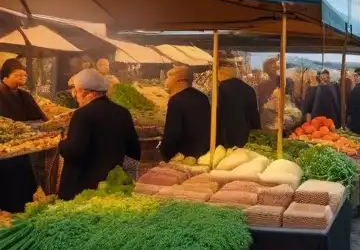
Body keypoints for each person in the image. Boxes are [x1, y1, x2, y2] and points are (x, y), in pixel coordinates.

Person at [57, 69, 141, 200]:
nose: (76, 98)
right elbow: (134, 149)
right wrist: (128, 178)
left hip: (84, 187)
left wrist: (61, 144)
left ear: (85, 92)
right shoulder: (122, 112)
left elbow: (75, 150)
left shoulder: (82, 114)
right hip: (112, 183)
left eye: (76, 92)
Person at [0, 58, 46, 211]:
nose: (22, 78)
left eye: (24, 75)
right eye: (17, 75)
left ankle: (21, 208)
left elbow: (39, 118)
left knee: (24, 181)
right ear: (5, 77)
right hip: (5, 149)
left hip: (24, 147)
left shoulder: (25, 95)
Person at [159, 66, 210, 161]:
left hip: (184, 157)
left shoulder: (176, 101)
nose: (166, 81)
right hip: (205, 154)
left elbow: (173, 133)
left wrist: (165, 153)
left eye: (168, 77)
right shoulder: (203, 97)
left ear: (177, 80)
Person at [216, 64, 260, 148]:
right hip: (246, 134)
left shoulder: (221, 89)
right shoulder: (249, 89)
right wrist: (257, 133)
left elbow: (218, 113)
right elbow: (254, 115)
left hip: (227, 136)